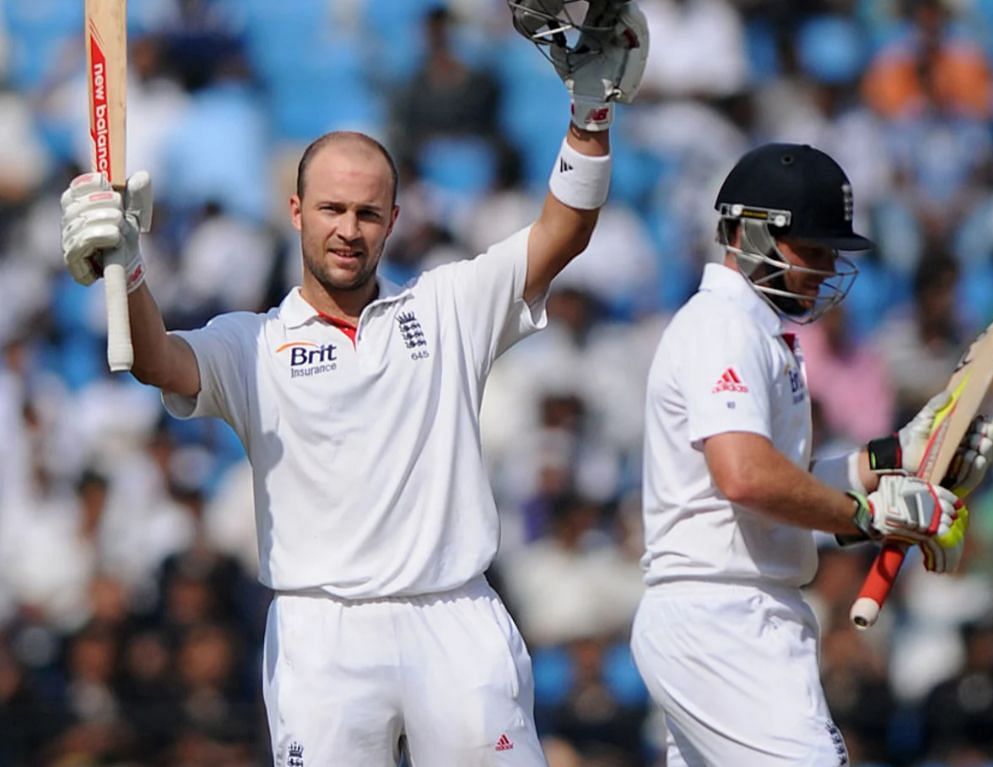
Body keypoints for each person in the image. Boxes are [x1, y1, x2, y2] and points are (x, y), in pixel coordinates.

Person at [58, 3, 649, 764]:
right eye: (332, 209)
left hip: (453, 619)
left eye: (368, 213)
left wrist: (590, 118)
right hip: (322, 633)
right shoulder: (254, 341)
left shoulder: (447, 307)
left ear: (394, 219)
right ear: (295, 211)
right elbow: (155, 360)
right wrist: (128, 267)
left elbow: (563, 232)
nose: (349, 228)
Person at [629, 142, 993, 765]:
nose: (827, 265)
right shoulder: (724, 327)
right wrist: (866, 518)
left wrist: (896, 455)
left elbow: (787, 478)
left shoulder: (758, 331)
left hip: (739, 613)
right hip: (721, 616)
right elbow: (746, 478)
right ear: (749, 232)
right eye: (812, 247)